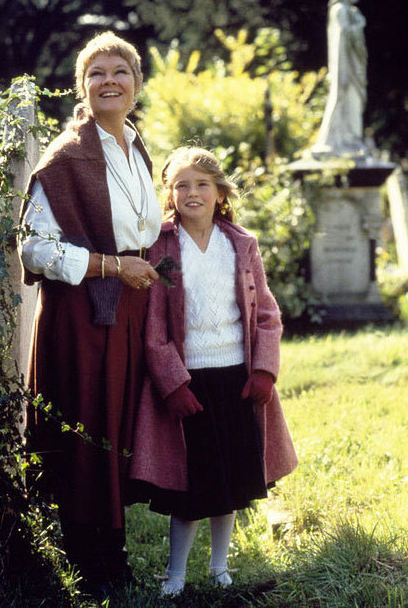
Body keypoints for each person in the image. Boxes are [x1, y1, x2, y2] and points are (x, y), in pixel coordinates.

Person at [18, 31, 161, 595]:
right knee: (86, 427)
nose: (109, 81)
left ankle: (113, 553)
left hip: (128, 308)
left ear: (136, 85)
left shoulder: (136, 144)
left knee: (117, 424)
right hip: (82, 314)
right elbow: (34, 248)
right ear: (82, 87)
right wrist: (109, 267)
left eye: (119, 72)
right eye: (96, 73)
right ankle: (86, 565)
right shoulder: (67, 156)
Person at [128, 147, 298, 596]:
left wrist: (263, 370)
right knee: (191, 486)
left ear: (220, 192)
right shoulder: (161, 247)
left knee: (231, 482)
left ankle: (220, 569)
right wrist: (172, 383)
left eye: (202, 184)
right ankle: (176, 575)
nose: (192, 192)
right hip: (190, 383)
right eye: (181, 184)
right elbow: (154, 329)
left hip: (237, 379)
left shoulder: (241, 244)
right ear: (169, 193)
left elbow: (265, 314)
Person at [311, 0, 368, 157]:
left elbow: (358, 45)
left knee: (353, 101)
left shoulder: (352, 12)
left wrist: (358, 22)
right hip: (343, 65)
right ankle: (330, 140)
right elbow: (341, 37)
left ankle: (351, 139)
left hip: (355, 65)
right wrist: (359, 25)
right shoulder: (339, 10)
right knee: (339, 98)